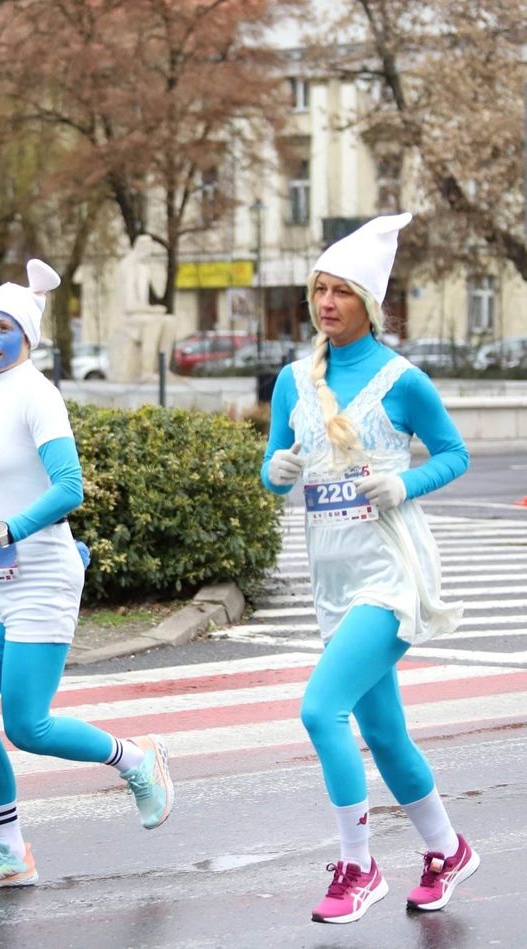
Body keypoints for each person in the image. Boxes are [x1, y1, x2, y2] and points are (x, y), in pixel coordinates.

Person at [0, 260, 174, 892]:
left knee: (26, 724)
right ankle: (10, 851)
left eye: (1, 329)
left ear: (26, 336)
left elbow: (70, 488)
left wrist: (5, 530)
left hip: (44, 573)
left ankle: (137, 760)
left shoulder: (38, 396)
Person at [260, 213, 479, 924]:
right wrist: (278, 467)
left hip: (391, 569)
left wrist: (405, 483)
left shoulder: (402, 379)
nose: (325, 303)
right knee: (385, 734)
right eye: (318, 290)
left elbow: (454, 453)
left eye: (340, 292)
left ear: (368, 301)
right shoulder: (294, 380)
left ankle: (359, 865)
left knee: (322, 708)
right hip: (331, 576)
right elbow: (271, 474)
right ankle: (447, 849)